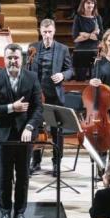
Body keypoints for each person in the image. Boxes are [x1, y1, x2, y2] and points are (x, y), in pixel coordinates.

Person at [0, 43, 43, 218]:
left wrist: (29, 127)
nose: (13, 61)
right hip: (3, 135)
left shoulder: (32, 77)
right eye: (9, 58)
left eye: (16, 58)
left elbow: (38, 108)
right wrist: (12, 108)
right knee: (4, 175)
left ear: (22, 59)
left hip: (25, 135)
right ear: (5, 59)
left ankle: (19, 212)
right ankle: (4, 212)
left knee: (23, 176)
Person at [26, 19, 73, 175]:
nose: (47, 35)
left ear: (54, 32)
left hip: (54, 96)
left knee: (56, 131)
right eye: (44, 32)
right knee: (36, 129)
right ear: (40, 31)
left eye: (50, 32)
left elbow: (70, 70)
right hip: (37, 96)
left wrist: (62, 75)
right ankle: (36, 161)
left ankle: (56, 162)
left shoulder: (63, 49)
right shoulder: (33, 47)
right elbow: (27, 70)